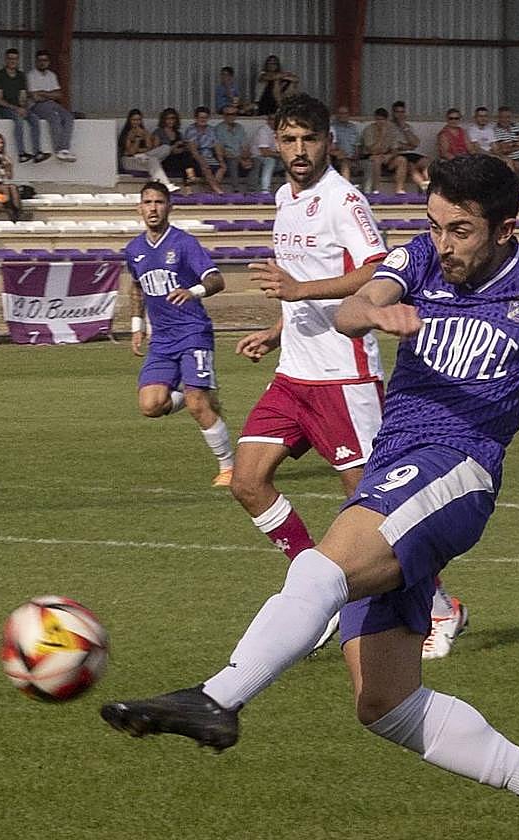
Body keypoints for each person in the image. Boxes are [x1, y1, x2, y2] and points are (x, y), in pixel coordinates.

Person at [101, 152, 519, 840]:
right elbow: (353, 309)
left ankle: (217, 697)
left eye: (459, 230)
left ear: (504, 228)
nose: (442, 244)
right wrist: (372, 315)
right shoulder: (421, 258)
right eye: (434, 225)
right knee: (384, 702)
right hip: (399, 465)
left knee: (323, 565)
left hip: (459, 470)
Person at [229, 94, 466, 659]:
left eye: (309, 139)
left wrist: (297, 292)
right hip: (294, 376)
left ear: (327, 141)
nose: (299, 150)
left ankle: (441, 605)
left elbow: (375, 268)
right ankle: (318, 596)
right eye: (288, 140)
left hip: (345, 379)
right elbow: (298, 284)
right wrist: (276, 327)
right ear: (276, 143)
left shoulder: (344, 200)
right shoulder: (284, 199)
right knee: (246, 481)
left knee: (376, 513)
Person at [125, 181, 235, 488]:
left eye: (159, 202)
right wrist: (137, 326)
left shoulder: (184, 243)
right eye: (148, 202)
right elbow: (136, 287)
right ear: (139, 207)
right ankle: (192, 393)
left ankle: (229, 468)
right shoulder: (134, 250)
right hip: (161, 339)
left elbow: (216, 279)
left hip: (192, 333)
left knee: (199, 403)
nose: (153, 208)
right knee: (150, 406)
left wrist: (193, 291)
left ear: (169, 207)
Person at [0, 47, 46, 163]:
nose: (12, 61)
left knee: (35, 119)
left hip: (18, 108)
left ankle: (37, 152)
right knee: (18, 120)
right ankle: (21, 153)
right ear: (5, 60)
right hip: (3, 108)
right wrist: (17, 108)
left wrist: (24, 107)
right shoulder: (0, 76)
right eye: (10, 58)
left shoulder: (21, 76)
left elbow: (22, 95)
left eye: (15, 59)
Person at [26, 49, 77, 162]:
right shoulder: (31, 75)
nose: (42, 62)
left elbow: (59, 94)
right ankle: (59, 149)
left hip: (52, 103)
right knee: (54, 117)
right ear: (36, 61)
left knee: (68, 117)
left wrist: (43, 93)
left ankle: (65, 149)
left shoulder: (51, 75)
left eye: (45, 60)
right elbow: (35, 97)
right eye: (40, 60)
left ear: (48, 62)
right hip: (36, 105)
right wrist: (50, 94)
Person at [119, 108, 176, 190]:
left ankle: (143, 156)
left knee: (166, 148)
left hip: (143, 158)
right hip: (129, 161)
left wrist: (145, 136)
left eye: (138, 120)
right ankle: (166, 184)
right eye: (134, 120)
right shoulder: (127, 133)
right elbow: (131, 152)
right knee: (152, 160)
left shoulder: (144, 132)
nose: (136, 122)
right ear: (129, 121)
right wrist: (138, 138)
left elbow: (150, 148)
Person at [359, 108, 405, 194]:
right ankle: (376, 190)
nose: (380, 122)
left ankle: (399, 190)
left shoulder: (392, 130)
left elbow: (395, 149)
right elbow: (372, 150)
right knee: (376, 160)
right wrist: (381, 136)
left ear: (387, 120)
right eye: (378, 119)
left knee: (402, 160)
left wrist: (389, 156)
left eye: (383, 119)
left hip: (386, 157)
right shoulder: (368, 130)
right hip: (370, 157)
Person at [182, 106, 227, 193]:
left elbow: (216, 145)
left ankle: (211, 192)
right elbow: (193, 151)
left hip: (210, 156)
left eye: (205, 117)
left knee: (221, 168)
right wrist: (202, 162)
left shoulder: (211, 130)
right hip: (195, 158)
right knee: (206, 168)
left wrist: (221, 161)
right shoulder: (191, 130)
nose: (203, 119)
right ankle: (218, 191)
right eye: (201, 117)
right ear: (196, 118)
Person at [152, 108, 199, 189]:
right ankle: (190, 178)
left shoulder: (178, 133)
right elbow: (156, 151)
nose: (171, 121)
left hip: (179, 158)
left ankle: (189, 180)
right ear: (164, 120)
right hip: (165, 160)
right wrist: (173, 148)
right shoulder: (159, 132)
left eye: (173, 118)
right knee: (185, 161)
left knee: (187, 156)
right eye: (168, 118)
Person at [390, 101, 431, 192]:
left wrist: (404, 127)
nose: (400, 115)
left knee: (426, 161)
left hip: (410, 154)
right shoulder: (389, 127)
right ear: (393, 113)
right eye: (398, 112)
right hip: (397, 155)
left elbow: (415, 143)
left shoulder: (408, 127)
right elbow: (393, 145)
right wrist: (408, 146)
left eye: (402, 112)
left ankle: (429, 183)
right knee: (410, 166)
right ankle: (424, 187)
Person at [215, 105, 257, 191]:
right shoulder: (219, 129)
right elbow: (222, 149)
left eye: (233, 114)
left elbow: (245, 145)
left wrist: (246, 158)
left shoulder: (239, 127)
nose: (231, 116)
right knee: (233, 162)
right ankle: (236, 189)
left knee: (257, 161)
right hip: (228, 157)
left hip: (241, 156)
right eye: (228, 114)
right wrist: (240, 160)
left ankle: (252, 189)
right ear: (224, 115)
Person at [328, 105, 363, 183]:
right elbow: (332, 146)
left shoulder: (353, 128)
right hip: (338, 158)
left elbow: (357, 145)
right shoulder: (332, 127)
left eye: (345, 113)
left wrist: (356, 158)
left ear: (348, 115)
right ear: (336, 114)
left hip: (353, 158)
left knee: (368, 164)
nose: (342, 115)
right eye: (340, 113)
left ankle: (371, 192)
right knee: (345, 163)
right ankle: (346, 188)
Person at [252, 113, 285, 193]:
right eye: (271, 119)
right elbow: (264, 152)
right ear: (268, 121)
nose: (274, 121)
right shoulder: (263, 130)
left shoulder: (280, 130)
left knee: (290, 162)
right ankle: (265, 190)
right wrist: (282, 155)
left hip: (275, 156)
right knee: (270, 161)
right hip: (257, 157)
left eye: (276, 120)